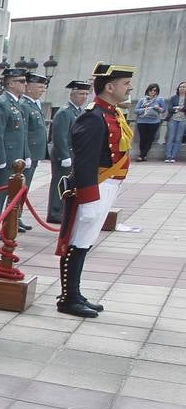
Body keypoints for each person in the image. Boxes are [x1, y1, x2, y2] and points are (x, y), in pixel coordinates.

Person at [62, 63, 136, 317]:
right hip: (96, 185)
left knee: (86, 241)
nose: (130, 87)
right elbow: (85, 160)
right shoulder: (93, 116)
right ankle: (68, 297)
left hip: (108, 184)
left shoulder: (112, 113)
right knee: (78, 242)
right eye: (126, 83)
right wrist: (89, 196)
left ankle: (75, 293)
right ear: (110, 86)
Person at [0, 68, 28, 238]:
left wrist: (26, 155)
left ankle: (2, 223)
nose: (25, 84)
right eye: (21, 81)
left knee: (9, 195)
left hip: (16, 160)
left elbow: (21, 134)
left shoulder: (16, 103)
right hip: (6, 159)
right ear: (11, 83)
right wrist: (1, 159)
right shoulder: (2, 104)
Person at [48, 80, 91, 223]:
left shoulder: (79, 111)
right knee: (59, 183)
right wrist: (64, 155)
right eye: (81, 93)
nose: (84, 97)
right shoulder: (65, 112)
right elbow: (59, 136)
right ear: (72, 94)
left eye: (86, 94)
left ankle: (64, 210)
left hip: (75, 154)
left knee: (70, 184)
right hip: (64, 155)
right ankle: (55, 212)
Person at [133, 83, 166, 161]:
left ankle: (143, 155)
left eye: (155, 90)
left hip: (154, 122)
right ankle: (142, 154)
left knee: (150, 138)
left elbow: (163, 110)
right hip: (142, 121)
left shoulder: (160, 99)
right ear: (147, 90)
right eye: (151, 90)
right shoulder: (142, 100)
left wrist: (158, 108)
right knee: (143, 138)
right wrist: (144, 109)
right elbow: (135, 110)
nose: (152, 92)